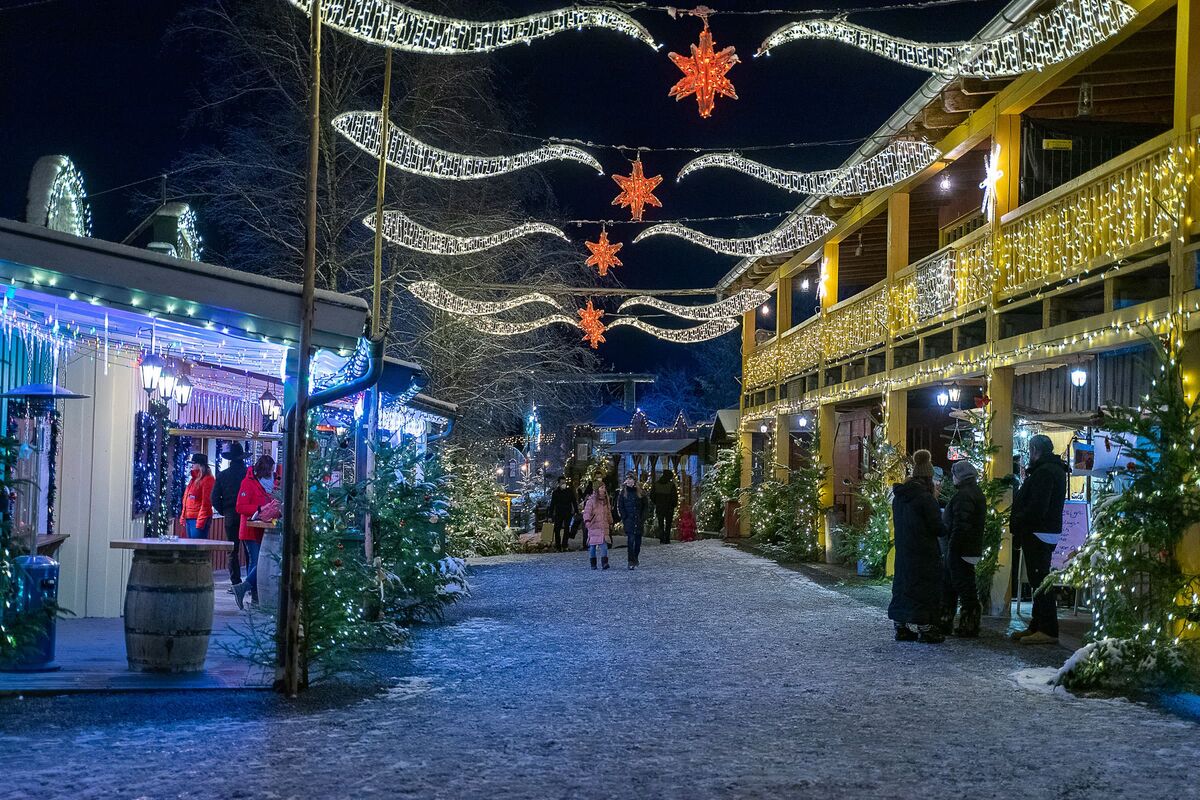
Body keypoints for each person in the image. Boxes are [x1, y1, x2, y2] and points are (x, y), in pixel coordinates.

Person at [1009, 434, 1069, 645]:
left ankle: (1047, 629)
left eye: (1030, 450)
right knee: (1038, 580)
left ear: (1035, 450)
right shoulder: (1055, 470)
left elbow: (1037, 506)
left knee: (1041, 580)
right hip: (1046, 531)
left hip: (1038, 532)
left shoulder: (1044, 473)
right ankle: (1037, 625)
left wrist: (1020, 519)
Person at [889, 450, 948, 644]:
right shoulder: (925, 498)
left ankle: (901, 626)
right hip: (924, 552)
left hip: (904, 550)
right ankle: (926, 628)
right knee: (924, 589)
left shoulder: (899, 497)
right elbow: (937, 528)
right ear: (929, 478)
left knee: (903, 585)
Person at [941, 460, 985, 637]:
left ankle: (966, 624)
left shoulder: (964, 496)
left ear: (959, 476)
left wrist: (952, 550)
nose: (952, 478)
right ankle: (957, 622)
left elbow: (961, 525)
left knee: (961, 587)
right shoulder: (975, 493)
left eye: (954, 475)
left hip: (960, 549)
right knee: (958, 585)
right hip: (969, 548)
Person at [233, 455, 276, 610]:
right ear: (264, 470)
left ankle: (252, 594)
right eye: (270, 471)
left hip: (261, 530)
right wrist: (259, 509)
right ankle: (250, 592)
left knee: (256, 562)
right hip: (250, 530)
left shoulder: (265, 485)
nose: (272, 474)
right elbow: (240, 507)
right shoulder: (248, 483)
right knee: (258, 562)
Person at [212, 442, 248, 586]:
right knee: (248, 550)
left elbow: (214, 498)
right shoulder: (248, 475)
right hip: (246, 516)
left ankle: (235, 582)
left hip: (230, 515)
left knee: (232, 551)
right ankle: (250, 584)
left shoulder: (223, 475)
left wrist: (224, 510)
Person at [617, 471, 648, 569]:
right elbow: (620, 506)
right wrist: (624, 517)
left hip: (638, 520)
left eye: (631, 479)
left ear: (634, 480)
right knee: (630, 540)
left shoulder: (641, 492)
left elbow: (645, 506)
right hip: (629, 520)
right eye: (628, 479)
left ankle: (635, 557)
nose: (629, 481)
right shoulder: (623, 493)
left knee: (638, 542)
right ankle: (631, 560)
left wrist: (643, 517)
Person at [179, 453, 215, 539]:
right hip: (190, 518)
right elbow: (187, 499)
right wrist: (183, 516)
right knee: (191, 548)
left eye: (194, 463)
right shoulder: (193, 479)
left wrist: (201, 521)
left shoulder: (207, 480)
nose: (192, 465)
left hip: (197, 518)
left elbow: (206, 503)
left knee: (197, 547)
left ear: (200, 465)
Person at [582, 482, 612, 571]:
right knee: (592, 546)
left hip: (603, 525)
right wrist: (587, 521)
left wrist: (610, 522)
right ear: (597, 489)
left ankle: (604, 562)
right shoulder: (591, 501)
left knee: (604, 545)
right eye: (602, 487)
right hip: (593, 525)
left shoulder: (606, 500)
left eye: (604, 487)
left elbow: (608, 512)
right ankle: (593, 564)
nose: (604, 489)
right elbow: (587, 512)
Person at [548, 477, 577, 552]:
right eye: (562, 483)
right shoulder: (555, 493)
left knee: (567, 529)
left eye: (564, 483)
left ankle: (564, 545)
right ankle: (558, 546)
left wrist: (576, 511)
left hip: (568, 512)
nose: (563, 484)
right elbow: (552, 504)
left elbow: (574, 501)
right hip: (559, 513)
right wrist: (550, 516)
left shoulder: (569, 491)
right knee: (557, 529)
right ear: (559, 483)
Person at [652, 471, 678, 545]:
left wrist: (657, 502)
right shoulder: (671, 485)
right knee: (668, 524)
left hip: (659, 507)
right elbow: (674, 497)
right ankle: (667, 539)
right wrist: (673, 505)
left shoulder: (656, 484)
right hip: (669, 508)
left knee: (661, 524)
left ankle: (661, 538)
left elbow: (652, 496)